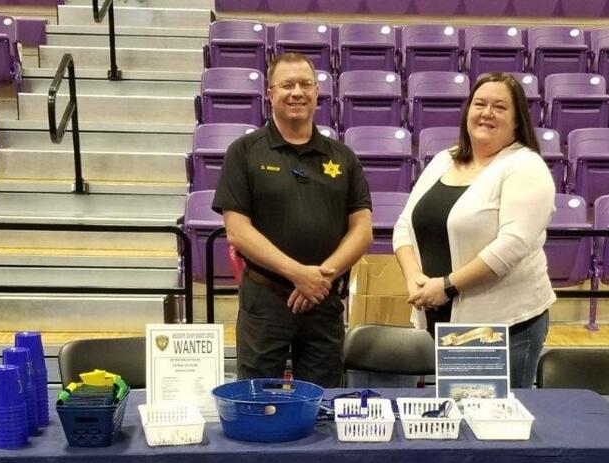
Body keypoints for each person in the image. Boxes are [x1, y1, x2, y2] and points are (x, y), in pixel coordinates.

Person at [212, 53, 373, 388]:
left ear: (317, 93)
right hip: (265, 301)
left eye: (305, 84)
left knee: (322, 404)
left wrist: (319, 280)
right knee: (259, 401)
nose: (297, 92)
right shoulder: (244, 152)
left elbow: (362, 230)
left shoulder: (342, 157)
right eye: (287, 85)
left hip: (323, 299)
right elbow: (238, 232)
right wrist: (298, 274)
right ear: (270, 94)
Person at [393, 72, 556, 388]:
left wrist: (448, 286)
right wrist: (415, 278)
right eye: (479, 104)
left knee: (492, 424)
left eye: (500, 107)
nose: (487, 113)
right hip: (437, 313)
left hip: (499, 324)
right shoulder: (443, 160)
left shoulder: (526, 166)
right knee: (454, 417)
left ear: (518, 120)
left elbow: (511, 245)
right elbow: (404, 226)